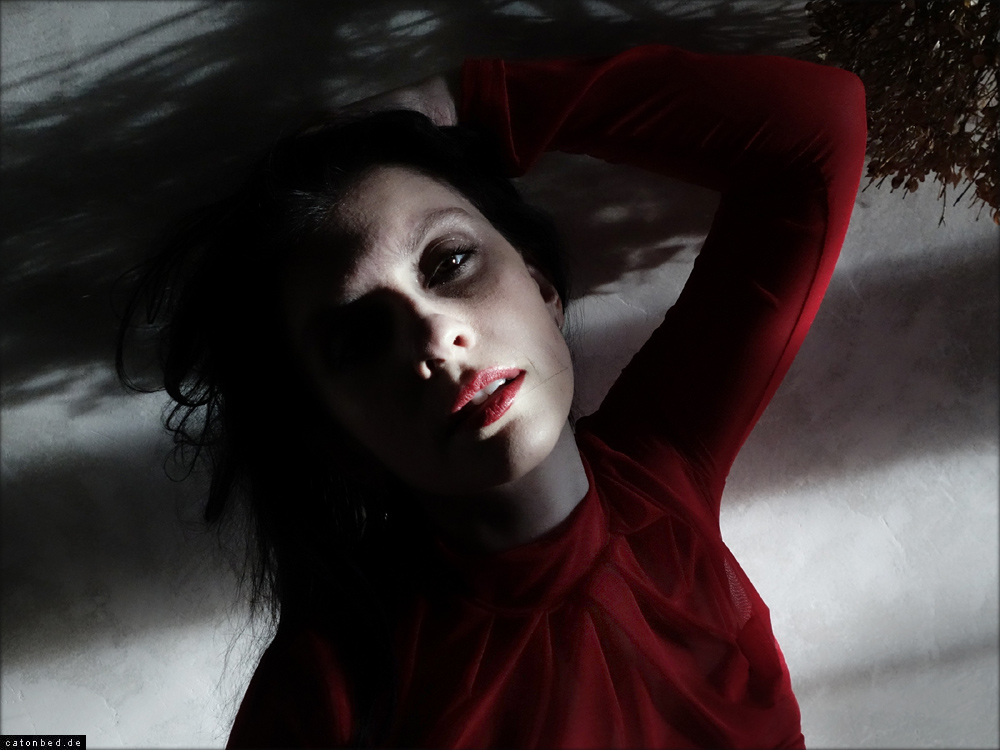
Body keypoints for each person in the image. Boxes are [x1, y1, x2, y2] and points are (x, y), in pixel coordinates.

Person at [116, 42, 867, 748]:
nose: (433, 336)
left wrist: (472, 101)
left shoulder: (662, 470)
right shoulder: (333, 686)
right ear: (335, 436)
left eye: (448, 262)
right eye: (361, 339)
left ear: (541, 287)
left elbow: (818, 131)